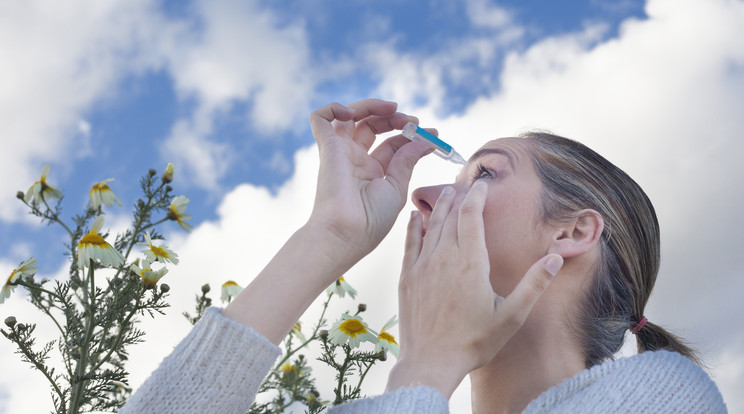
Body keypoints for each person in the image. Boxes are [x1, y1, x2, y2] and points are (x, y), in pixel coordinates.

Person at [120, 99, 726, 413]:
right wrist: (327, 237)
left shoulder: (668, 393)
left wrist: (426, 367)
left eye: (484, 173)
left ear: (571, 234)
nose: (426, 195)